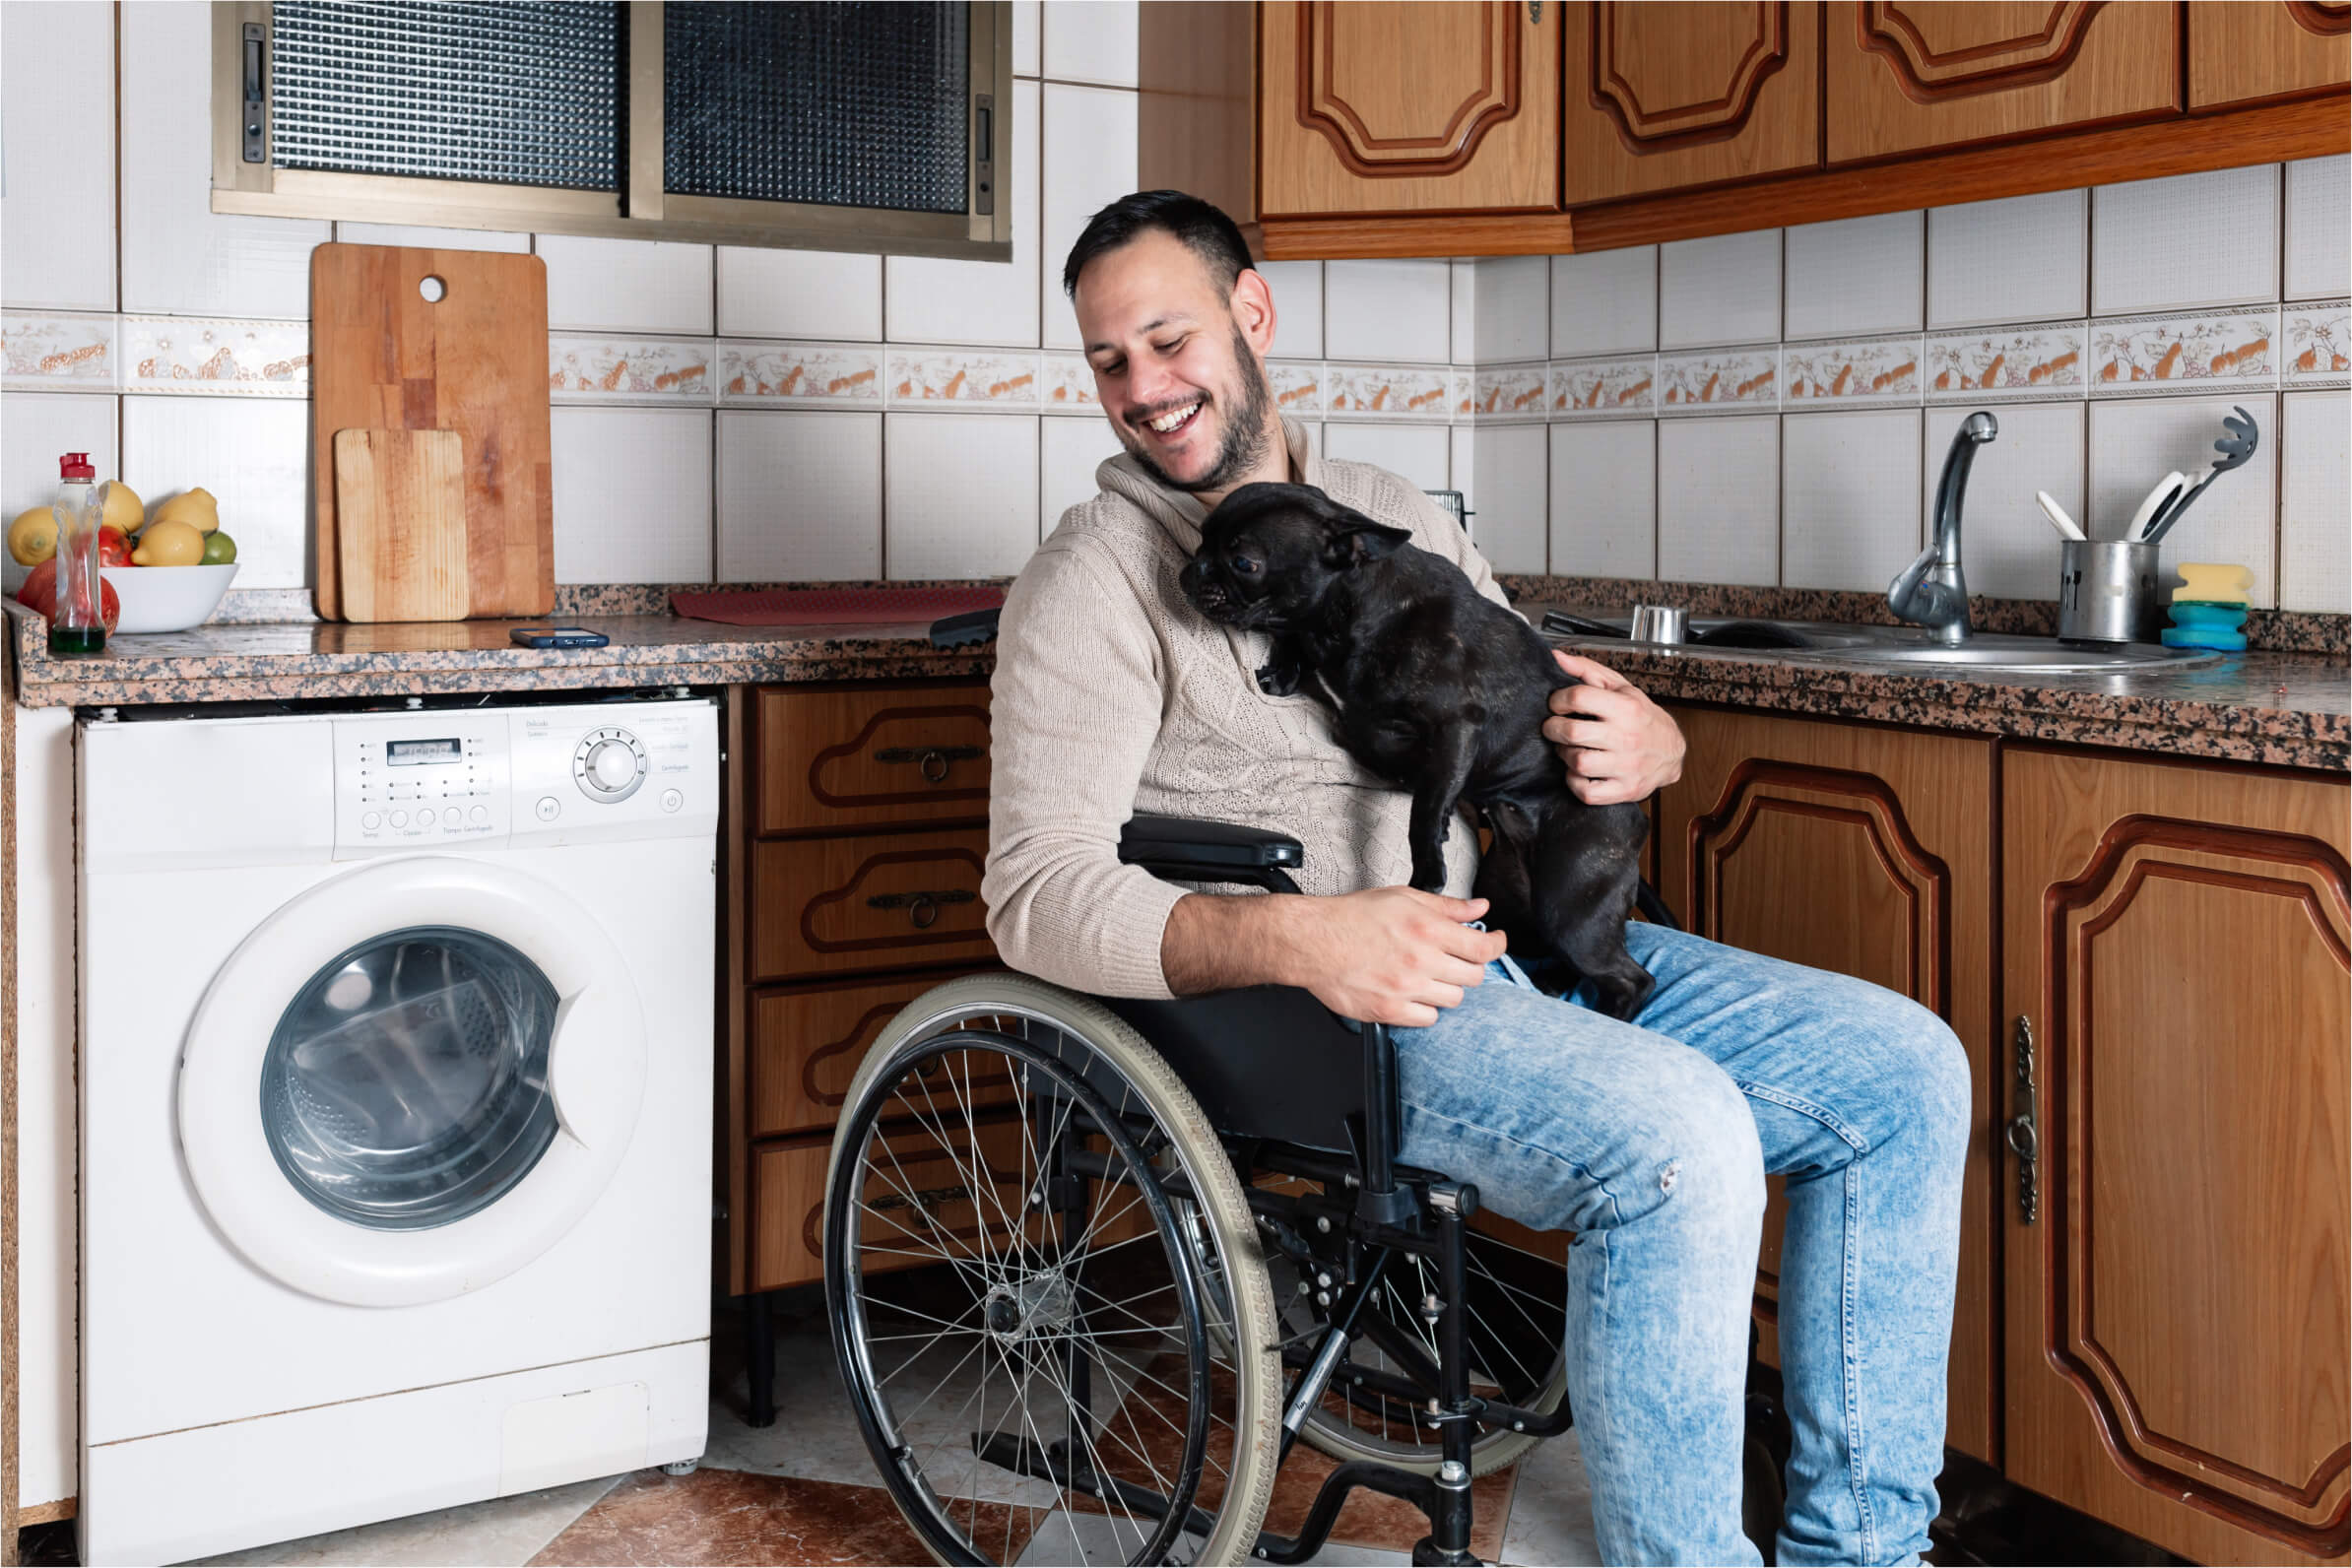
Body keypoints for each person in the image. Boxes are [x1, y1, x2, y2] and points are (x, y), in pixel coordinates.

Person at [981, 189, 1970, 1567]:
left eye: (1167, 339)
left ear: (1252, 313)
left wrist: (1651, 741)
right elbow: (1034, 894)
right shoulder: (1091, 582)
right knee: (1678, 1137)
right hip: (1322, 1013)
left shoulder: (1395, 516)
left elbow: (1529, 695)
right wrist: (1304, 941)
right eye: (1107, 360)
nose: (1143, 387)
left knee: (1905, 1073)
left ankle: (1862, 1554)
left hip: (1514, 932)